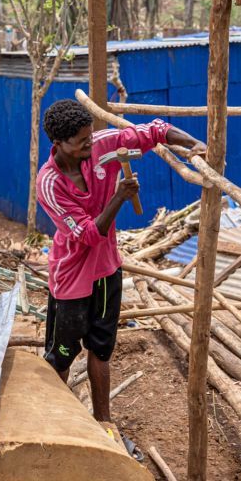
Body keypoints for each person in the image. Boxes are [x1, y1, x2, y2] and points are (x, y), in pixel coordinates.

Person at [37, 99, 206, 425]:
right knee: (61, 356)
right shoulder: (50, 184)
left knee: (101, 350)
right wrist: (119, 196)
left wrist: (193, 143)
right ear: (58, 143)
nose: (89, 143)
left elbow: (153, 131)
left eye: (90, 136)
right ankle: (56, 425)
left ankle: (104, 423)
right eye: (81, 141)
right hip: (71, 279)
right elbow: (87, 235)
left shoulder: (101, 146)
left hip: (107, 269)